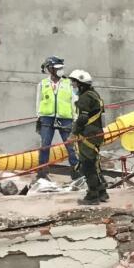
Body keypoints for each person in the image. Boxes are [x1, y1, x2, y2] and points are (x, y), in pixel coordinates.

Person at [35, 56, 78, 180]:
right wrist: (38, 116)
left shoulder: (68, 83)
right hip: (47, 118)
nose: (61, 70)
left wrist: (75, 118)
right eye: (58, 68)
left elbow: (74, 101)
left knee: (70, 146)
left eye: (61, 68)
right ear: (50, 69)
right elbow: (39, 101)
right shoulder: (43, 84)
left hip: (65, 118)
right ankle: (42, 174)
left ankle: (76, 172)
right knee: (45, 146)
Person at [67, 70, 106, 205]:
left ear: (81, 84)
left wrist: (74, 133)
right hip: (97, 134)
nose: (73, 86)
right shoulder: (95, 95)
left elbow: (83, 118)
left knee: (87, 165)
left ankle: (92, 195)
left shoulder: (85, 98)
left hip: (88, 135)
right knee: (94, 163)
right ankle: (102, 192)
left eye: (75, 83)